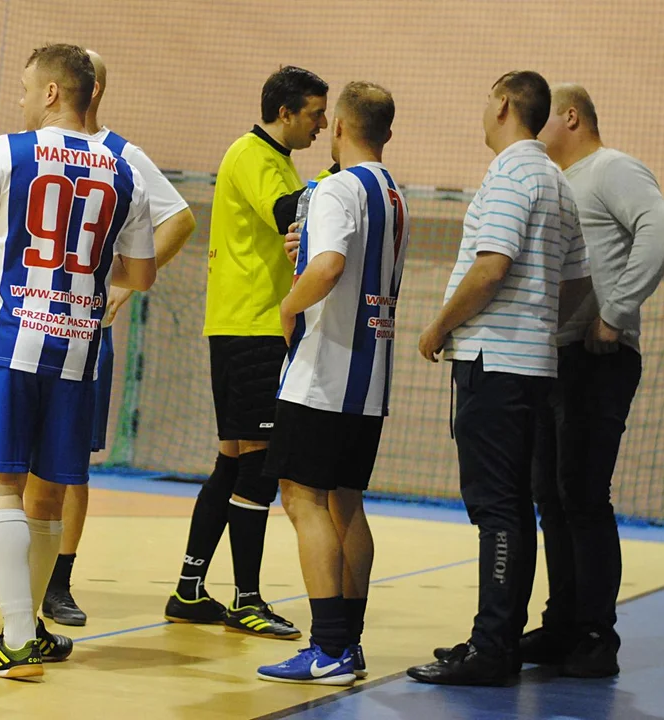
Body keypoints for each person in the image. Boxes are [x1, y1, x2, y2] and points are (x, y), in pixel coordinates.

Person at [0, 49, 196, 628]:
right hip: (79, 349)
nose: (22, 98)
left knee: (2, 484)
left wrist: (6, 242)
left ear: (52, 92)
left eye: (27, 87)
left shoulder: (10, 150)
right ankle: (34, 622)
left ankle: (18, 633)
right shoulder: (122, 166)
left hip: (10, 342)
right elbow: (143, 274)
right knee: (50, 495)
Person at [406, 71, 593, 686]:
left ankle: (492, 652)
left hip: (496, 363)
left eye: (488, 99)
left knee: (498, 510)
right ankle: (497, 641)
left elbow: (491, 268)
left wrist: (437, 329)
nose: (483, 110)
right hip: (530, 363)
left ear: (506, 104)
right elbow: (576, 284)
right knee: (513, 507)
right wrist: (538, 326)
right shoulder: (557, 181)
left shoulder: (513, 173)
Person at [518, 84, 664, 678]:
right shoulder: (562, 182)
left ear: (571, 115)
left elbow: (662, 232)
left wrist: (614, 315)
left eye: (546, 121)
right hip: (556, 359)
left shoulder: (613, 168)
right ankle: (562, 625)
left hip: (598, 359)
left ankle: (595, 636)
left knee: (583, 496)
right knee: (552, 498)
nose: (536, 132)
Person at [163, 65, 329, 640]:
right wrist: (344, 176)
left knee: (233, 460)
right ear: (285, 112)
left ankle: (189, 590)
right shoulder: (256, 155)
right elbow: (291, 218)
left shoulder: (274, 161)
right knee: (257, 464)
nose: (322, 124)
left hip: (238, 327)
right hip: (254, 328)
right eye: (314, 113)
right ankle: (248, 599)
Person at [255, 81, 406, 686]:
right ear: (385, 131)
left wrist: (288, 307)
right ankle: (350, 643)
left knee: (301, 498)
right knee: (346, 501)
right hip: (369, 379)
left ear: (339, 126)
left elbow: (329, 266)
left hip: (323, 374)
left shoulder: (336, 187)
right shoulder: (392, 192)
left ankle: (328, 647)